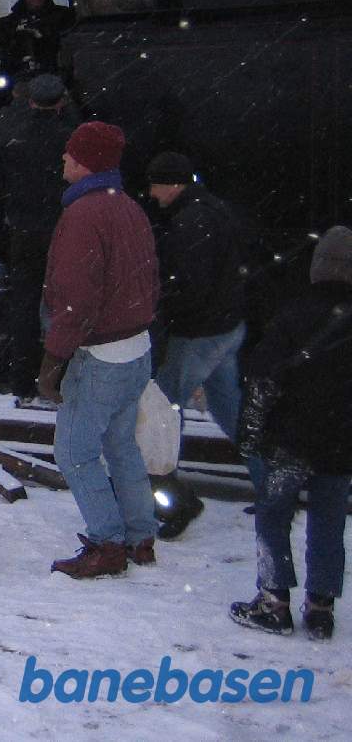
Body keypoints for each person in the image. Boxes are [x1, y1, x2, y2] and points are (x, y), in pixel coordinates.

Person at [38, 122, 160, 578]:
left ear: (86, 161)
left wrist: (53, 360)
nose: (63, 161)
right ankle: (140, 536)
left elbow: (76, 298)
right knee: (121, 444)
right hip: (136, 348)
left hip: (101, 356)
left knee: (73, 451)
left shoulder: (84, 215)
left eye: (70, 154)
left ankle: (107, 545)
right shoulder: (128, 208)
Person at [230, 226, 352, 640]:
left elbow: (262, 379)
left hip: (290, 439)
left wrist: (249, 433)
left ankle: (274, 600)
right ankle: (321, 607)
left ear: (318, 269)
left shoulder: (293, 314)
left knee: (273, 515)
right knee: (329, 522)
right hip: (340, 443)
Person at [144, 152, 251, 539]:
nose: (152, 194)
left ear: (172, 184)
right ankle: (273, 484)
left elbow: (189, 285)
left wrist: (162, 307)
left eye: (155, 185)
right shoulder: (214, 210)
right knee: (229, 407)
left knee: (164, 412)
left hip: (200, 333)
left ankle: (171, 495)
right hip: (227, 326)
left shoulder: (191, 221)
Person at [0, 73, 77, 403]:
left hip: (23, 232)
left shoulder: (10, 136)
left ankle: (22, 381)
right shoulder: (72, 137)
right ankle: (59, 378)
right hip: (63, 231)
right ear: (62, 101)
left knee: (23, 309)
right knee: (65, 307)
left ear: (30, 101)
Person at [0, 0, 75, 81]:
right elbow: (3, 52)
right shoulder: (8, 23)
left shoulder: (64, 16)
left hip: (55, 74)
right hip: (19, 77)